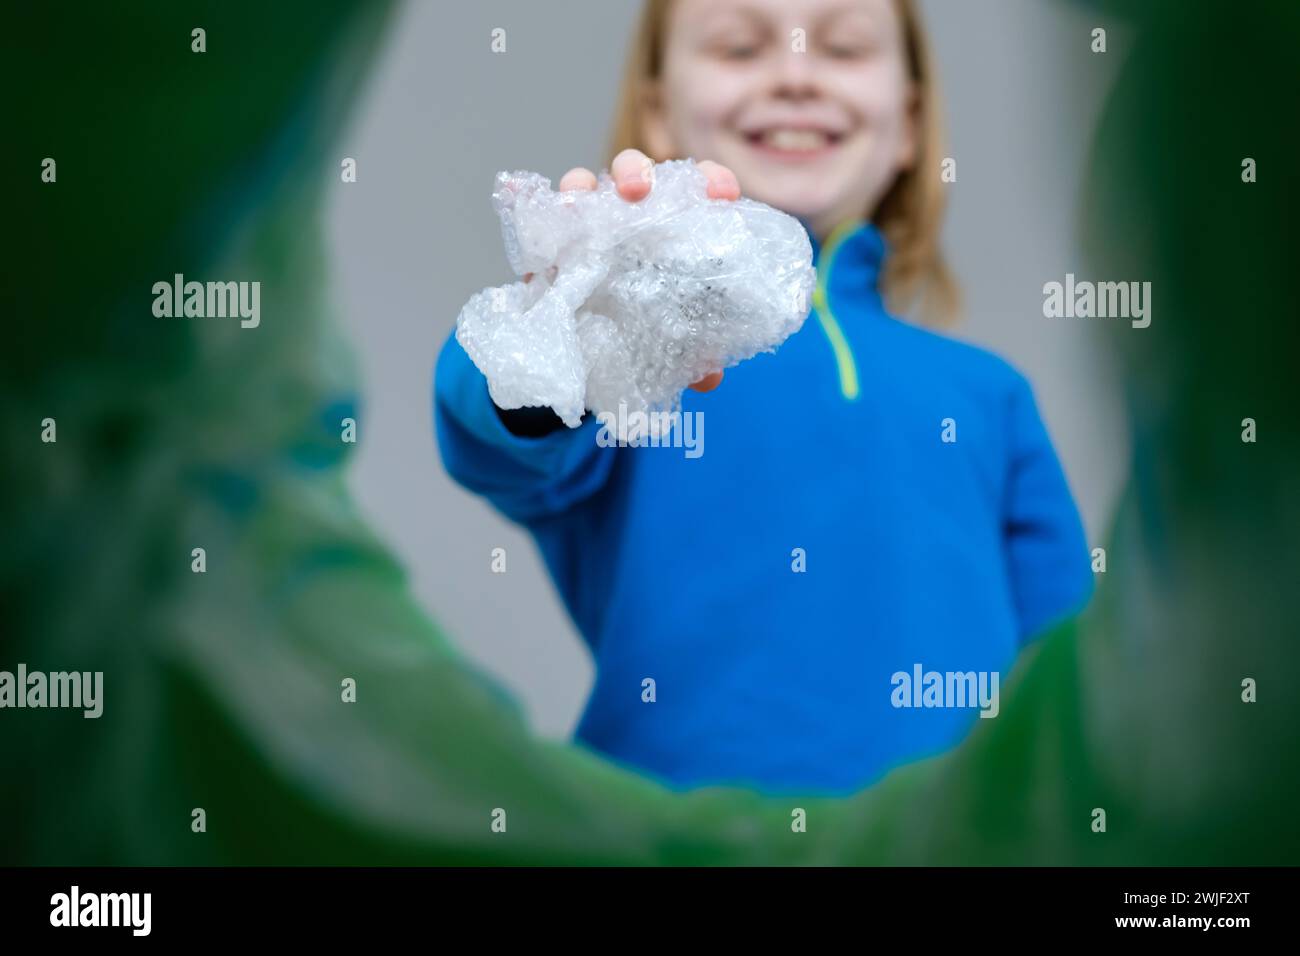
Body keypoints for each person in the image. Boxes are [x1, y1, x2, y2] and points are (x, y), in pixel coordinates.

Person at [434, 0, 1091, 795]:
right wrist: (563, 320)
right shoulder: (637, 362)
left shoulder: (988, 396)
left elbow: (1076, 680)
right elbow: (491, 429)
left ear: (910, 125)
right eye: (740, 47)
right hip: (668, 837)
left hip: (949, 841)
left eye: (844, 48)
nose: (795, 74)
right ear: (658, 112)